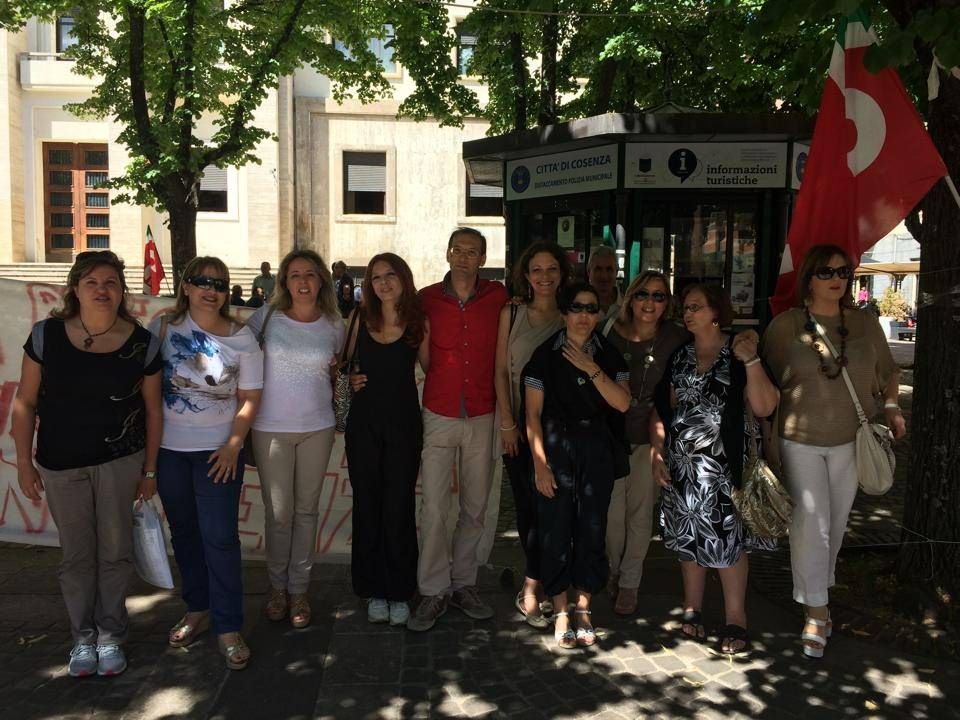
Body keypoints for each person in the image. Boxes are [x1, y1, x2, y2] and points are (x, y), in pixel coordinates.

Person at [11, 250, 162, 678]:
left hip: (120, 462)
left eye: (111, 282)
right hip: (61, 465)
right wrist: (24, 463)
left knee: (115, 553)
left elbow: (154, 411)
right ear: (75, 288)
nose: (102, 290)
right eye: (92, 281)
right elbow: (24, 403)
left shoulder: (141, 342)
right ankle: (82, 639)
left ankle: (111, 633)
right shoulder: (46, 336)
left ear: (122, 290)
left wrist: (149, 471)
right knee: (77, 557)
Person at [761, 244, 904, 659]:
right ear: (808, 279)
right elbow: (767, 386)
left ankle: (816, 591)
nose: (836, 278)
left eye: (843, 271)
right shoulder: (786, 326)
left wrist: (893, 407)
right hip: (799, 439)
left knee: (836, 526)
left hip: (850, 440)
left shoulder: (863, 324)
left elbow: (888, 373)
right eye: (825, 272)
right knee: (811, 524)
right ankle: (816, 611)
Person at [651, 284, 779, 656]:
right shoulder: (681, 355)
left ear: (716, 311)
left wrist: (752, 361)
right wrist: (658, 452)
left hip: (725, 468)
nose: (687, 313)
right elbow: (665, 406)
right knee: (689, 539)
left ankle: (735, 617)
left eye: (695, 307)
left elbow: (764, 406)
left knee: (728, 543)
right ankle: (692, 607)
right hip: (684, 467)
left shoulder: (739, 350)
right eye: (684, 308)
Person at [149, 256, 263, 671]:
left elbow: (250, 398)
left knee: (220, 539)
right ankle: (198, 609)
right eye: (200, 281)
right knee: (185, 535)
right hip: (169, 453)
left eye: (219, 283)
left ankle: (229, 626)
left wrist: (234, 445)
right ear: (185, 285)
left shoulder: (242, 337)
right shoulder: (162, 328)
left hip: (219, 454)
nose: (209, 289)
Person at [407, 227, 508, 632]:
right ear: (447, 254)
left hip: (483, 412)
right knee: (433, 506)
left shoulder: (498, 297)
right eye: (458, 250)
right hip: (439, 411)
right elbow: (422, 354)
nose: (464, 257)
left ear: (483, 259)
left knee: (475, 506)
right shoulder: (426, 299)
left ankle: (464, 583)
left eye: (473, 252)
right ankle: (433, 589)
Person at [523, 282, 631, 649]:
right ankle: (560, 608)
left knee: (591, 529)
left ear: (599, 313)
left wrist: (591, 367)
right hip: (554, 449)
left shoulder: (610, 355)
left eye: (591, 308)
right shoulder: (544, 355)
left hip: (596, 451)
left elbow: (622, 403)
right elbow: (532, 415)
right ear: (564, 313)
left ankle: (583, 607)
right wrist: (539, 464)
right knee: (554, 529)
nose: (584, 315)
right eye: (576, 308)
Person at [246, 250, 343, 629]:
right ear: (283, 282)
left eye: (310, 275)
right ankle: (276, 587)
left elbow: (342, 369)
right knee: (278, 513)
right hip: (270, 428)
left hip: (318, 427)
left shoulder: (335, 324)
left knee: (306, 511)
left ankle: (299, 589)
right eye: (295, 275)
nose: (303, 282)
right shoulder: (265, 318)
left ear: (322, 281)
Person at [344, 253, 430, 627]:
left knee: (398, 507)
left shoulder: (418, 321)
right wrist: (348, 378)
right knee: (368, 506)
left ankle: (400, 590)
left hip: (404, 425)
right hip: (364, 425)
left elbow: (431, 369)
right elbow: (342, 364)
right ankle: (374, 589)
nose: (382, 282)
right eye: (375, 277)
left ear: (403, 277)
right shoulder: (359, 318)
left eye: (389, 274)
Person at [493, 241, 570, 628]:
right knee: (527, 510)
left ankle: (539, 582)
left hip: (559, 430)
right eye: (536, 269)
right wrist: (508, 424)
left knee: (553, 511)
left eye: (551, 269)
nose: (544, 277)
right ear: (526, 275)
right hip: (519, 429)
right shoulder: (512, 312)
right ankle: (532, 584)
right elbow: (499, 373)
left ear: (561, 273)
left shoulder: (572, 315)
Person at [603, 271, 689, 616]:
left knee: (639, 515)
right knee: (611, 516)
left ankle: (629, 583)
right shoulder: (609, 332)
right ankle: (612, 568)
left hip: (650, 437)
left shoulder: (676, 338)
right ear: (631, 298)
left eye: (659, 296)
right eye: (643, 295)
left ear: (667, 303)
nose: (650, 303)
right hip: (610, 437)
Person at [586, 245, 622, 322]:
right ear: (589, 271)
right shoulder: (578, 307)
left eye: (609, 269)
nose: (604, 276)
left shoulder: (629, 306)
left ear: (616, 272)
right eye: (598, 269)